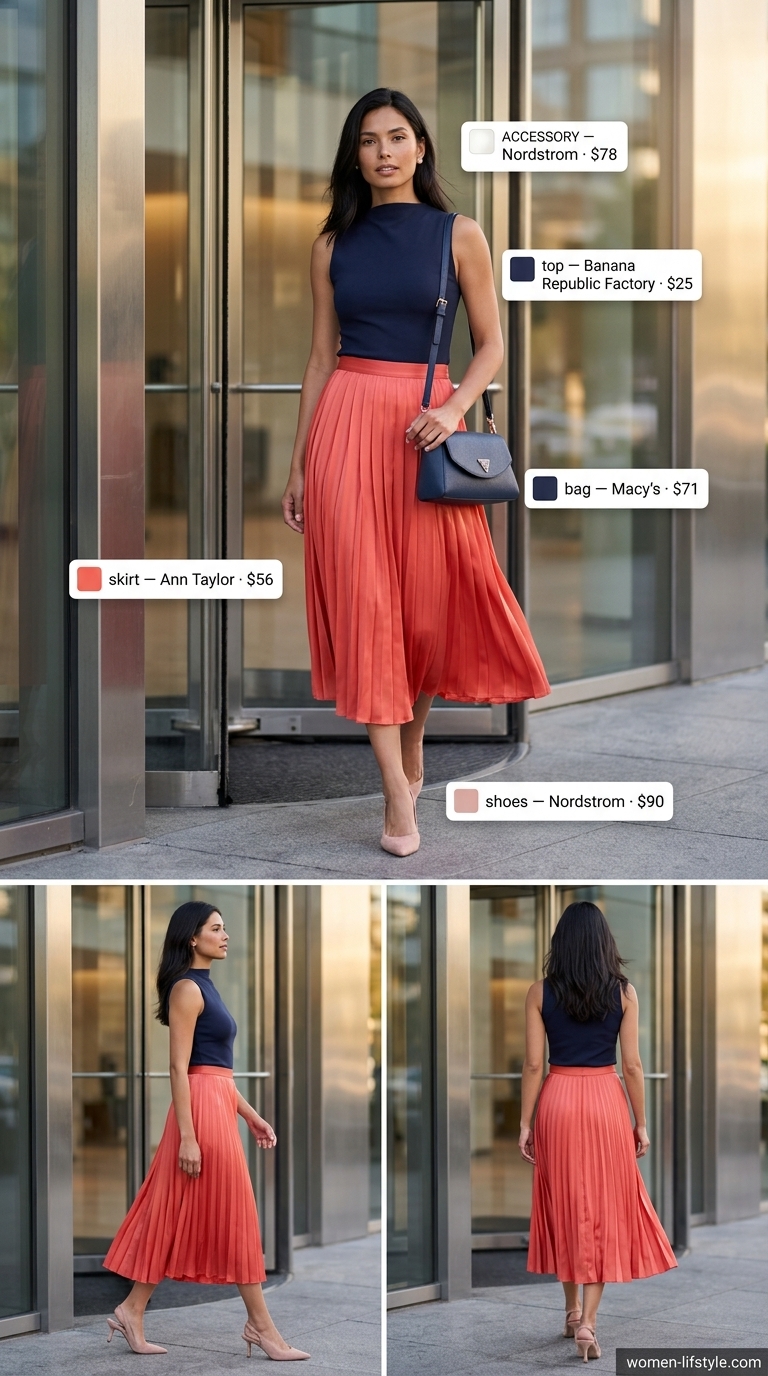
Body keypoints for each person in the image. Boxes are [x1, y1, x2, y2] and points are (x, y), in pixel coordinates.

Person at [282, 87, 549, 857]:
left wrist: (456, 406)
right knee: (368, 610)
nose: (385, 151)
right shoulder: (332, 244)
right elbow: (319, 357)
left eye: (398, 137)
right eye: (369, 140)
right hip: (346, 428)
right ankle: (397, 799)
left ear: (423, 148)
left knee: (426, 611)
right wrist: (300, 465)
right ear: (355, 155)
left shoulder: (459, 235)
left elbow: (493, 343)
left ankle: (414, 742)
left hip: (426, 432)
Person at [103, 902, 309, 1361]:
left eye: (225, 926)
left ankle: (132, 1308)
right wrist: (189, 1136)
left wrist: (251, 1115)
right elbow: (180, 1068)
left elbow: (216, 1073)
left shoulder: (206, 988)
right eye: (216, 928)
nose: (226, 934)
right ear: (192, 938)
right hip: (197, 1117)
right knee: (234, 1214)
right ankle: (262, 1327)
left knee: (175, 1212)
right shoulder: (186, 989)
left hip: (215, 1106)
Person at [519, 901, 676, 1362]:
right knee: (601, 1208)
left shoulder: (539, 992)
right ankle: (587, 1320)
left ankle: (569, 1310)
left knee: (564, 1202)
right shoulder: (625, 992)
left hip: (558, 1099)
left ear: (560, 945)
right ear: (605, 943)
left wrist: (525, 1122)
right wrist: (640, 1122)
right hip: (606, 1101)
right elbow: (632, 1064)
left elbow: (532, 1064)